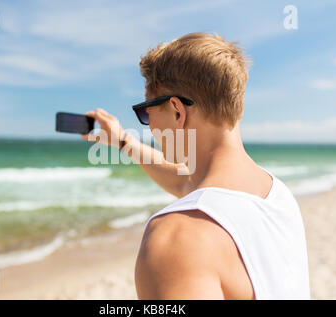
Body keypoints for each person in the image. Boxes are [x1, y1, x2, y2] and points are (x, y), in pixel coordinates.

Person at [82, 32, 310, 300]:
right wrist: (123, 142)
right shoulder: (276, 193)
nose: (150, 126)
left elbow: (193, 191)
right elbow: (186, 184)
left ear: (177, 111)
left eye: (146, 113)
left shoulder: (175, 238)